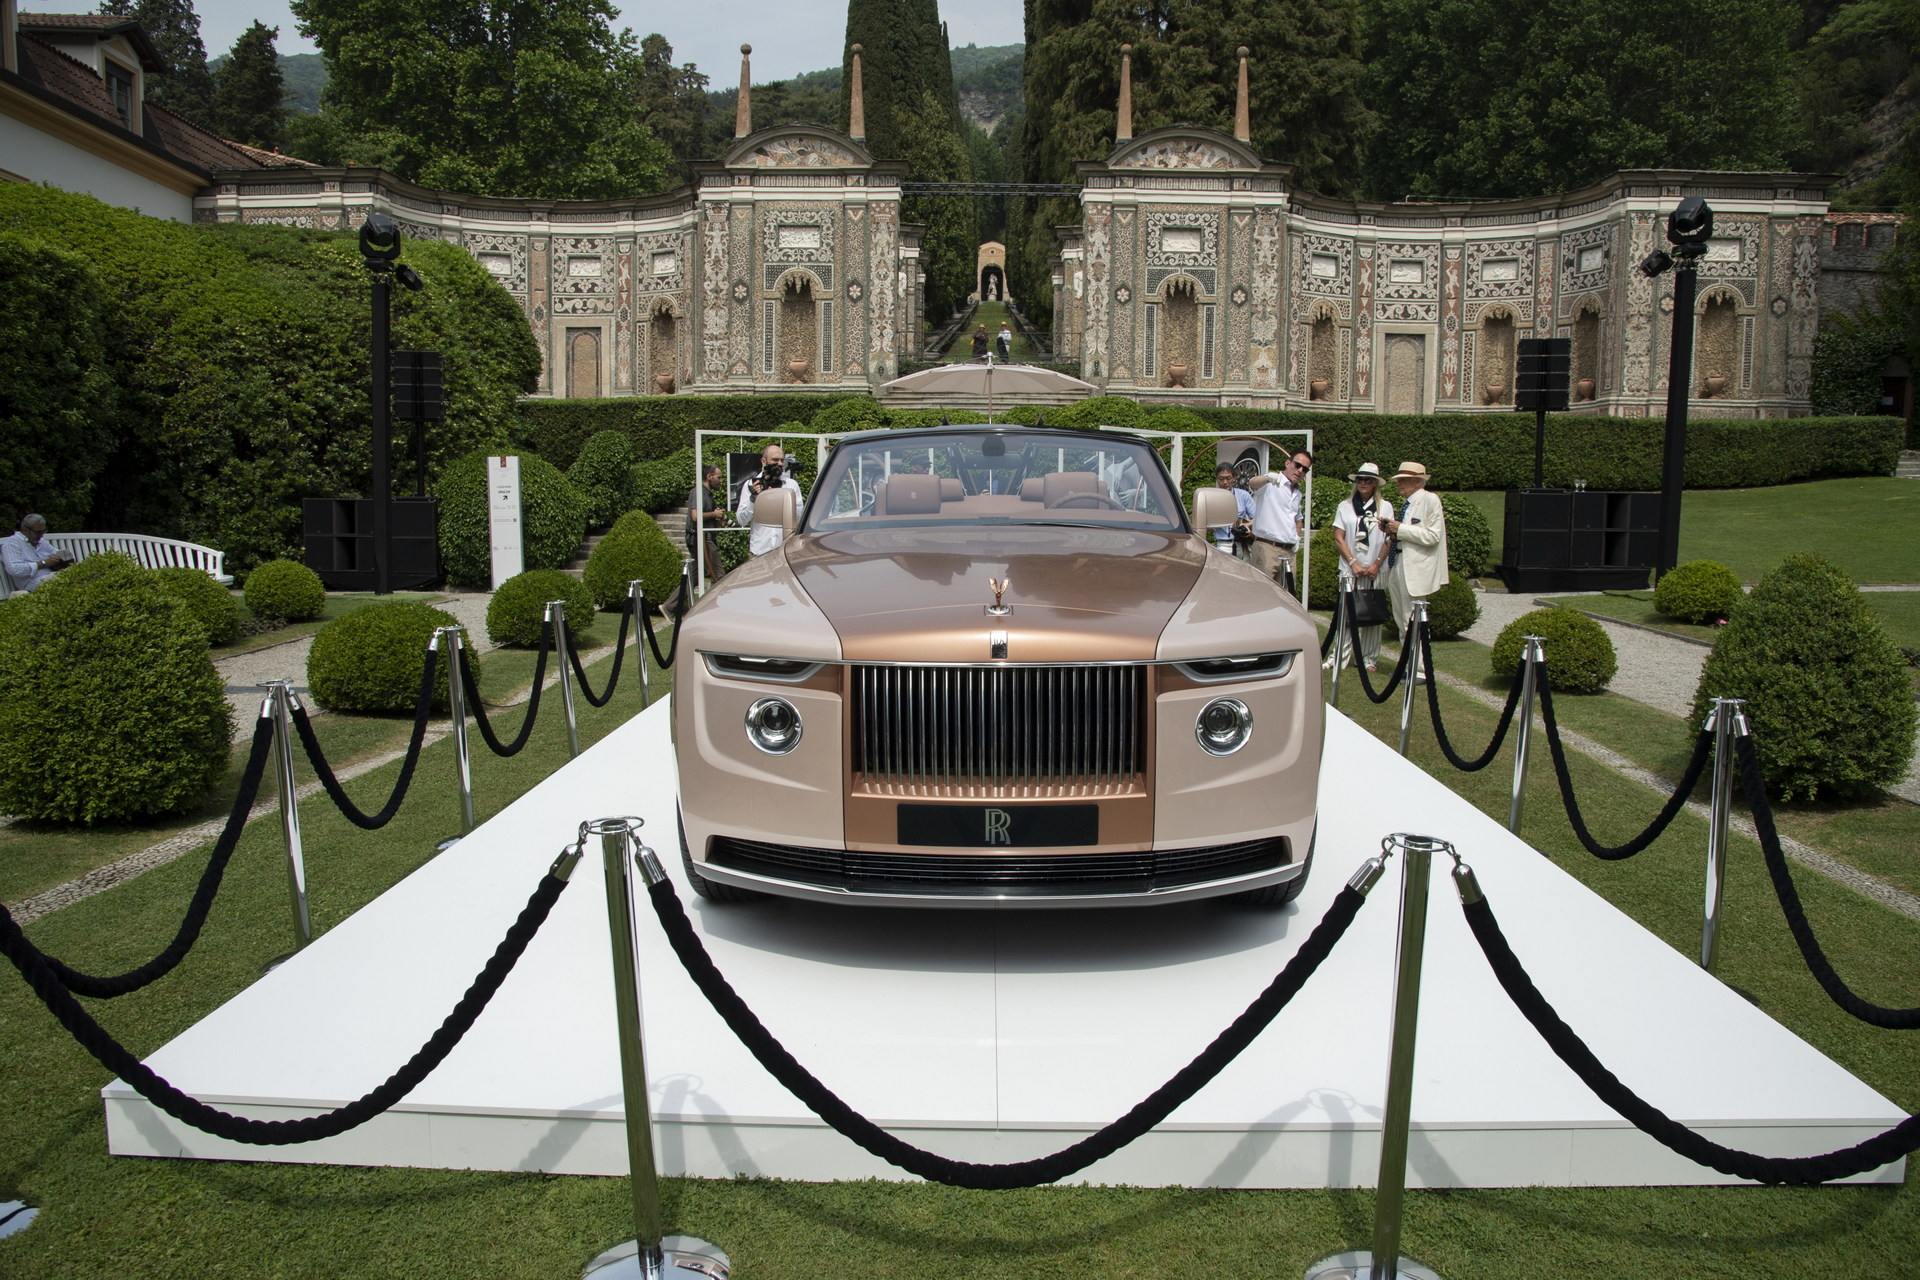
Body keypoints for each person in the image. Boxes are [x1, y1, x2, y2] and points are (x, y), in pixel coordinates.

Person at [1380, 461, 1448, 664]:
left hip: (1415, 570)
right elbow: (1408, 534)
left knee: (1413, 620)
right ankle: (1407, 666)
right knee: (1402, 619)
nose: (1399, 484)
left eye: (1404, 480)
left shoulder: (1430, 500)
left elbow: (1433, 536)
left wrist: (1400, 529)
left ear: (1418, 481)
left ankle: (1418, 668)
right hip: (1398, 563)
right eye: (1399, 480)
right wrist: (1392, 532)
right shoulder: (1408, 504)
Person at [1330, 463, 1390, 670]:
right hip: (1350, 567)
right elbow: (1339, 537)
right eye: (1360, 479)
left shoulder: (1386, 507)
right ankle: (1340, 655)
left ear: (1375, 484)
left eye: (1368, 480)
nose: (1363, 483)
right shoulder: (1344, 506)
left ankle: (1368, 658)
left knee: (1372, 613)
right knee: (1346, 613)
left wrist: (1377, 563)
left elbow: (1389, 539)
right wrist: (1353, 563)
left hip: (1376, 568)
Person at [1245, 448, 1310, 594]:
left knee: (1288, 596)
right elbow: (1252, 483)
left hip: (1288, 551)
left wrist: (1296, 537)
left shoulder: (1297, 493)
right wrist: (1267, 477)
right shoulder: (1271, 484)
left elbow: (1298, 519)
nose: (1299, 470)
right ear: (1288, 463)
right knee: (1262, 594)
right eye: (1297, 465)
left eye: (1304, 469)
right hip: (1267, 547)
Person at [736, 443, 806, 556]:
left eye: (782, 460)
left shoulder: (791, 485)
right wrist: (754, 498)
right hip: (760, 550)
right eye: (775, 460)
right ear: (764, 461)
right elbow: (741, 519)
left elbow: (798, 517)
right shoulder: (751, 484)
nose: (780, 464)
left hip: (785, 550)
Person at [2, 514, 71, 594]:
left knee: (77, 572)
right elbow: (14, 569)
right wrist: (43, 563)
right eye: (38, 532)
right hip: (33, 583)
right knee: (73, 575)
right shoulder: (12, 543)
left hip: (51, 576)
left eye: (43, 532)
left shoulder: (41, 541)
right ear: (25, 530)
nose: (41, 535)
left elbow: (55, 552)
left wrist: (63, 556)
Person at [688, 462, 729, 581]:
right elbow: (695, 516)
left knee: (695, 577)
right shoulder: (698, 492)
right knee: (719, 575)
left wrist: (717, 524)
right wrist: (714, 514)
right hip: (700, 538)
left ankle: (673, 600)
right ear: (709, 476)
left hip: (705, 537)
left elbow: (705, 519)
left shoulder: (707, 494)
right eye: (719, 477)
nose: (721, 481)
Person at [1207, 464, 1255, 558]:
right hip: (1223, 544)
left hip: (1242, 543)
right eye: (1221, 479)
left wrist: (1245, 525)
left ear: (1234, 478)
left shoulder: (1243, 495)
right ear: (1217, 479)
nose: (1225, 482)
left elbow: (1257, 517)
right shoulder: (1211, 497)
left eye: (1228, 478)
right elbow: (1204, 526)